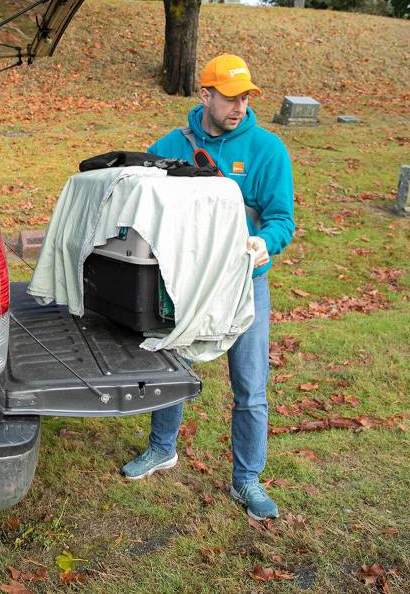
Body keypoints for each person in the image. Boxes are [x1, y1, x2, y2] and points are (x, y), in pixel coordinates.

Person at [120, 53, 295, 521]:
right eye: (230, 97)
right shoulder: (172, 144)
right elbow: (142, 198)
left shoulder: (267, 149)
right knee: (170, 365)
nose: (239, 107)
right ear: (205, 95)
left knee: (250, 385)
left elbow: (282, 220)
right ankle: (162, 448)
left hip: (243, 284)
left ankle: (247, 479)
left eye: (245, 98)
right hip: (185, 284)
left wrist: (266, 243)